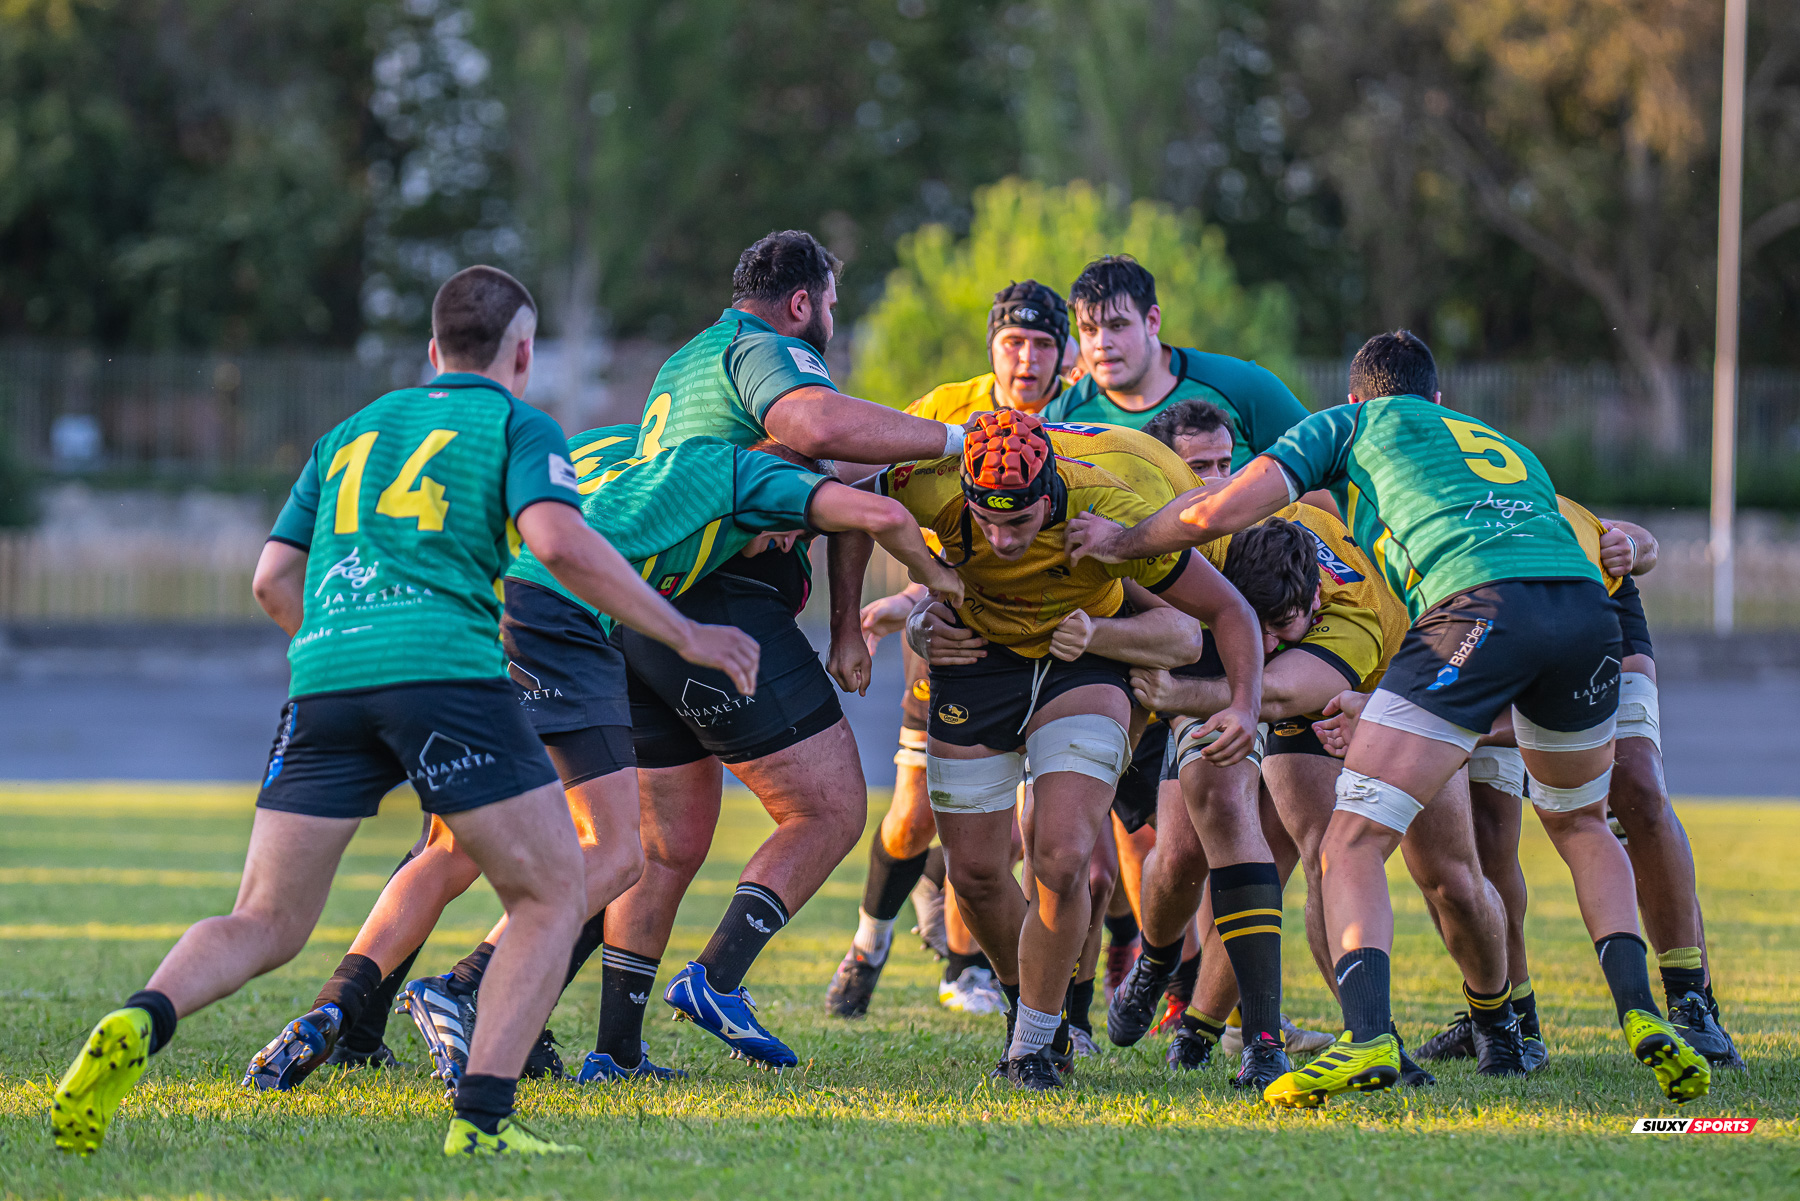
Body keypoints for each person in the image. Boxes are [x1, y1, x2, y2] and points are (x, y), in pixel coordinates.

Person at [50, 266, 760, 1158]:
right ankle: (483, 1122)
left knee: (264, 921)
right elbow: (558, 543)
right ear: (523, 353)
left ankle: (140, 1018)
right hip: (448, 679)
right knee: (552, 892)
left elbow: (272, 579)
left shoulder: (348, 432)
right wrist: (685, 632)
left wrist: (335, 651)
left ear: (432, 351)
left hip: (325, 676)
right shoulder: (516, 423)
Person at [1067, 330, 1711, 1108]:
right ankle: (1644, 1012)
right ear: (1439, 401)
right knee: (1579, 822)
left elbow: (1211, 516)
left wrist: (1121, 541)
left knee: (1354, 837)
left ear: (1351, 398)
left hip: (1469, 612)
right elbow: (1611, 543)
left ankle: (1371, 1034)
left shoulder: (1349, 433)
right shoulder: (1492, 439)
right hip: (1580, 609)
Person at [244, 428, 958, 1091]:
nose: (779, 545)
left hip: (478, 602)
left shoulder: (617, 446)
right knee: (618, 852)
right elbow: (878, 508)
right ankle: (465, 988)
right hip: (560, 619)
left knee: (454, 843)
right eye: (784, 532)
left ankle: (341, 1013)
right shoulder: (741, 474)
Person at [605, 230, 976, 1070]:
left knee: (668, 845)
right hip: (720, 608)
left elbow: (836, 471)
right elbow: (821, 430)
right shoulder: (764, 349)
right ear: (802, 302)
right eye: (833, 306)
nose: (833, 324)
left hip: (644, 612)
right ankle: (716, 977)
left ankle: (615, 1047)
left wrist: (847, 623)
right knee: (832, 807)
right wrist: (954, 441)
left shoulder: (683, 365)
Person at [872, 411, 1265, 1090]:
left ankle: (1032, 1041)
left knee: (1065, 858)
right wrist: (896, 615)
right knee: (975, 875)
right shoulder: (931, 484)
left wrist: (1243, 705)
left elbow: (1214, 617)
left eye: (1019, 522)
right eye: (985, 521)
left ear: (1053, 494)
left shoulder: (1116, 510)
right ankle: (1040, 1007)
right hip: (978, 661)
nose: (1001, 539)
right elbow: (853, 493)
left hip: (1082, 665)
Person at [1124, 510, 1496, 1082]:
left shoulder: (1351, 616)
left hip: (1375, 691)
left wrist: (1177, 691)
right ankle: (1173, 987)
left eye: (1280, 626)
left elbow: (1273, 696)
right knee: (1194, 855)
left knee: (1433, 871)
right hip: (1255, 690)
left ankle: (1485, 1026)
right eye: (1255, 623)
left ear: (1314, 603)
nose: (1265, 641)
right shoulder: (1238, 545)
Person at [1416, 497, 1743, 1071]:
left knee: (1635, 783)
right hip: (1474, 633)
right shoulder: (1375, 518)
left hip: (1579, 620)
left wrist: (1633, 548)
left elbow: (1629, 535)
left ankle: (1691, 998)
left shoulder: (1491, 480)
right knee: (1483, 832)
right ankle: (1510, 1023)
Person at [826, 280, 1071, 1021]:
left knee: (1035, 828)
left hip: (1057, 645)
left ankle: (970, 966)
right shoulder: (943, 409)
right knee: (911, 816)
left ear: (1064, 355)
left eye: (1041, 345)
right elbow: (862, 487)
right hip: (955, 635)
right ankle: (870, 944)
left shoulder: (1082, 416)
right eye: (1012, 343)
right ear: (992, 347)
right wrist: (892, 606)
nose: (1026, 360)